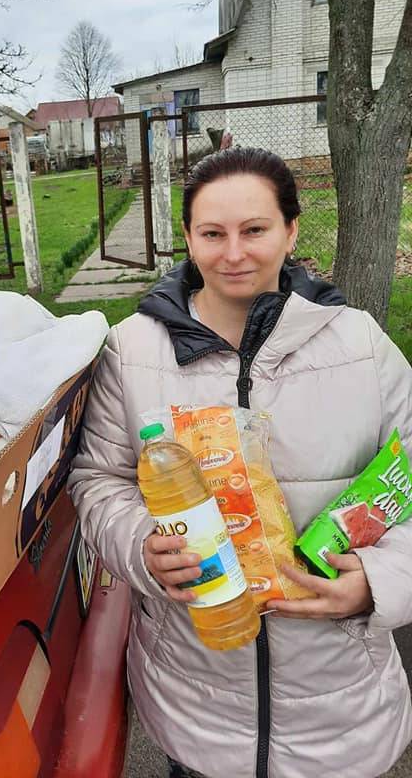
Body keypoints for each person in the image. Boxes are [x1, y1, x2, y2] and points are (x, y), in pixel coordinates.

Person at [68, 146, 412, 778]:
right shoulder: (134, 350)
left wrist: (381, 581)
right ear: (189, 239)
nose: (233, 254)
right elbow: (97, 481)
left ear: (291, 230)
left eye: (254, 230)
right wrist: (141, 546)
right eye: (212, 233)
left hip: (339, 713)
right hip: (195, 705)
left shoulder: (361, 345)